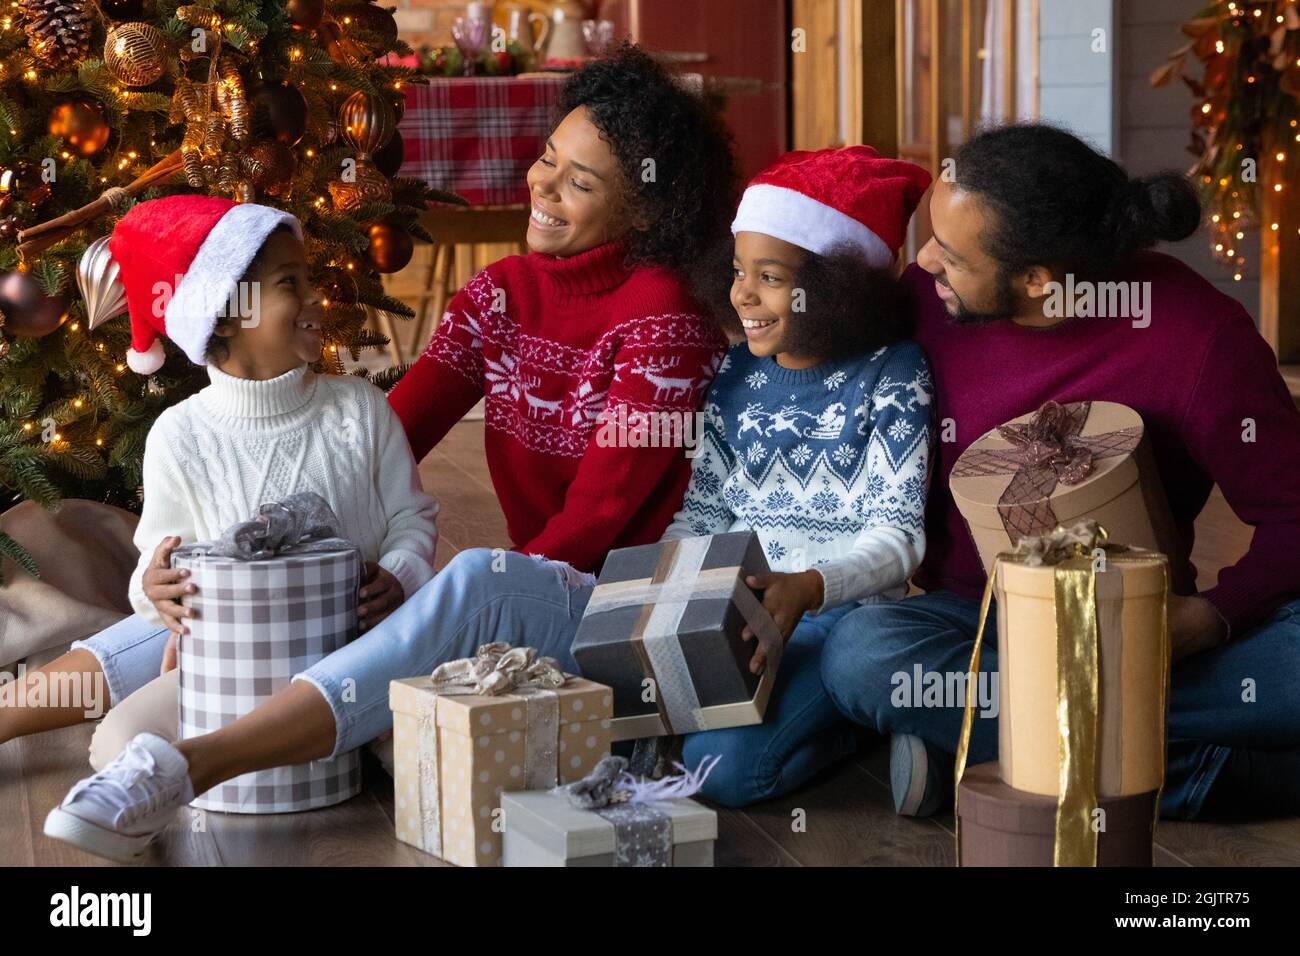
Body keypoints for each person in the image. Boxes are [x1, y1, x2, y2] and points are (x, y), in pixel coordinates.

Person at [40, 44, 742, 863]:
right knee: (216, 589)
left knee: (475, 579)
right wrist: (251, 572)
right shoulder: (501, 293)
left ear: (648, 212)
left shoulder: (663, 322)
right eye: (548, 160)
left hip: (625, 609)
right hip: (537, 585)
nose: (542, 188)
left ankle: (188, 767)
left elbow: (593, 523)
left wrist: (411, 591)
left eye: (579, 183)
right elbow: (381, 431)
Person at [819, 123, 1300, 820]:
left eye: (951, 256)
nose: (922, 262)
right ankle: (1210, 773)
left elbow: (1292, 514)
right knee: (863, 657)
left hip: (1134, 626)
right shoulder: (925, 302)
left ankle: (994, 752)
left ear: (1038, 280)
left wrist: (1210, 619)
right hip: (977, 619)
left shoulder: (1202, 338)